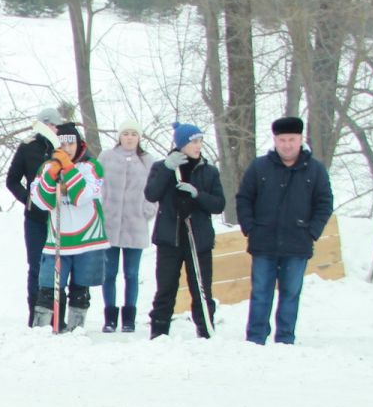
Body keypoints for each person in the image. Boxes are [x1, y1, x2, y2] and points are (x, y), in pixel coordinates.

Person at [235, 115, 335, 346]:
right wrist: (250, 227)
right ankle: (255, 338)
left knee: (290, 293)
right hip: (263, 243)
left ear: (300, 139)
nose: (287, 145)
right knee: (261, 292)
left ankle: (285, 339)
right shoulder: (259, 166)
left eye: (292, 139)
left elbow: (324, 203)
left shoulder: (315, 170)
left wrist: (312, 231)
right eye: (282, 140)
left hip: (297, 244)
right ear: (275, 140)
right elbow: (244, 199)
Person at [143, 123, 226, 339]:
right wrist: (166, 170)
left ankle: (206, 330)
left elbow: (219, 204)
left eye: (200, 141)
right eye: (193, 142)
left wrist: (198, 195)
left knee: (201, 289)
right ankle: (159, 332)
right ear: (181, 144)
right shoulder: (163, 167)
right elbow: (151, 194)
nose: (198, 146)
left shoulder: (208, 171)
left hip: (198, 240)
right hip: (169, 239)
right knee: (166, 289)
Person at [30, 121, 108, 332]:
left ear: (78, 143)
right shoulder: (46, 168)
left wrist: (69, 167)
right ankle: (42, 329)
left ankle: (76, 329)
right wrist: (54, 169)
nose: (67, 148)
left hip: (87, 238)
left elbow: (81, 196)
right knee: (48, 287)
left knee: (80, 288)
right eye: (62, 144)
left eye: (71, 143)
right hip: (57, 239)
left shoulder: (92, 167)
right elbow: (41, 200)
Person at [6, 106, 68, 326]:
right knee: (36, 266)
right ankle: (36, 315)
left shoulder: (63, 148)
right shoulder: (28, 147)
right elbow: (11, 180)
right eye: (51, 125)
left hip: (59, 216)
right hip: (35, 218)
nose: (55, 129)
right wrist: (28, 199)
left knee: (59, 265)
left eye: (57, 125)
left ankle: (58, 317)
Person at [99, 119, 153, 332]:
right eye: (126, 133)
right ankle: (110, 317)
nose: (129, 137)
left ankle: (129, 317)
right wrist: (101, 210)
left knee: (131, 274)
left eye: (133, 134)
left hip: (135, 223)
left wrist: (148, 209)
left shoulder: (147, 160)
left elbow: (154, 188)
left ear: (139, 137)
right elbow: (98, 185)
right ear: (119, 136)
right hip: (110, 223)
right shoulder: (107, 157)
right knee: (109, 273)